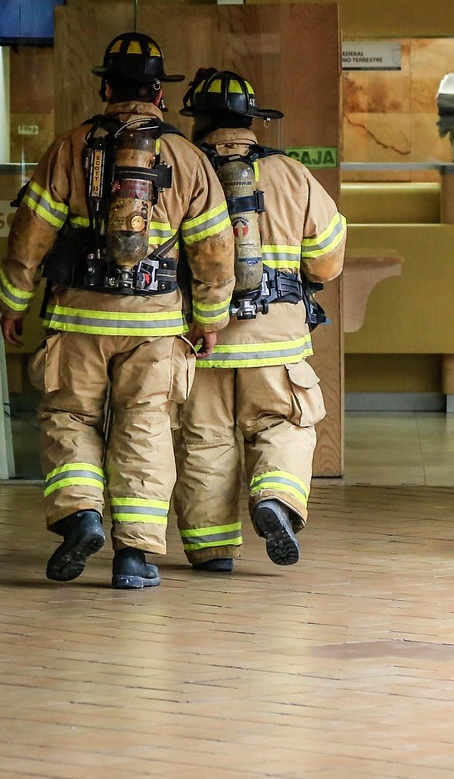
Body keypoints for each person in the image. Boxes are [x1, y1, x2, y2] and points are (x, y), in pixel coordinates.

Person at [0, 32, 235, 589]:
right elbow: (215, 251)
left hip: (78, 319)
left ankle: (81, 515)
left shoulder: (68, 147)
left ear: (105, 87)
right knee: (146, 426)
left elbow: (29, 234)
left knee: (70, 417)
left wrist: (13, 301)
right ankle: (135, 557)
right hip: (156, 326)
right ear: (159, 92)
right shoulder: (187, 157)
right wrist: (211, 319)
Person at [171, 68, 346, 573]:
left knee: (205, 441)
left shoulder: (183, 170)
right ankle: (275, 500)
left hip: (198, 338)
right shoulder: (294, 174)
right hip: (277, 342)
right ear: (253, 120)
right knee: (284, 425)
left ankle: (211, 551)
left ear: (197, 121)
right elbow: (327, 262)